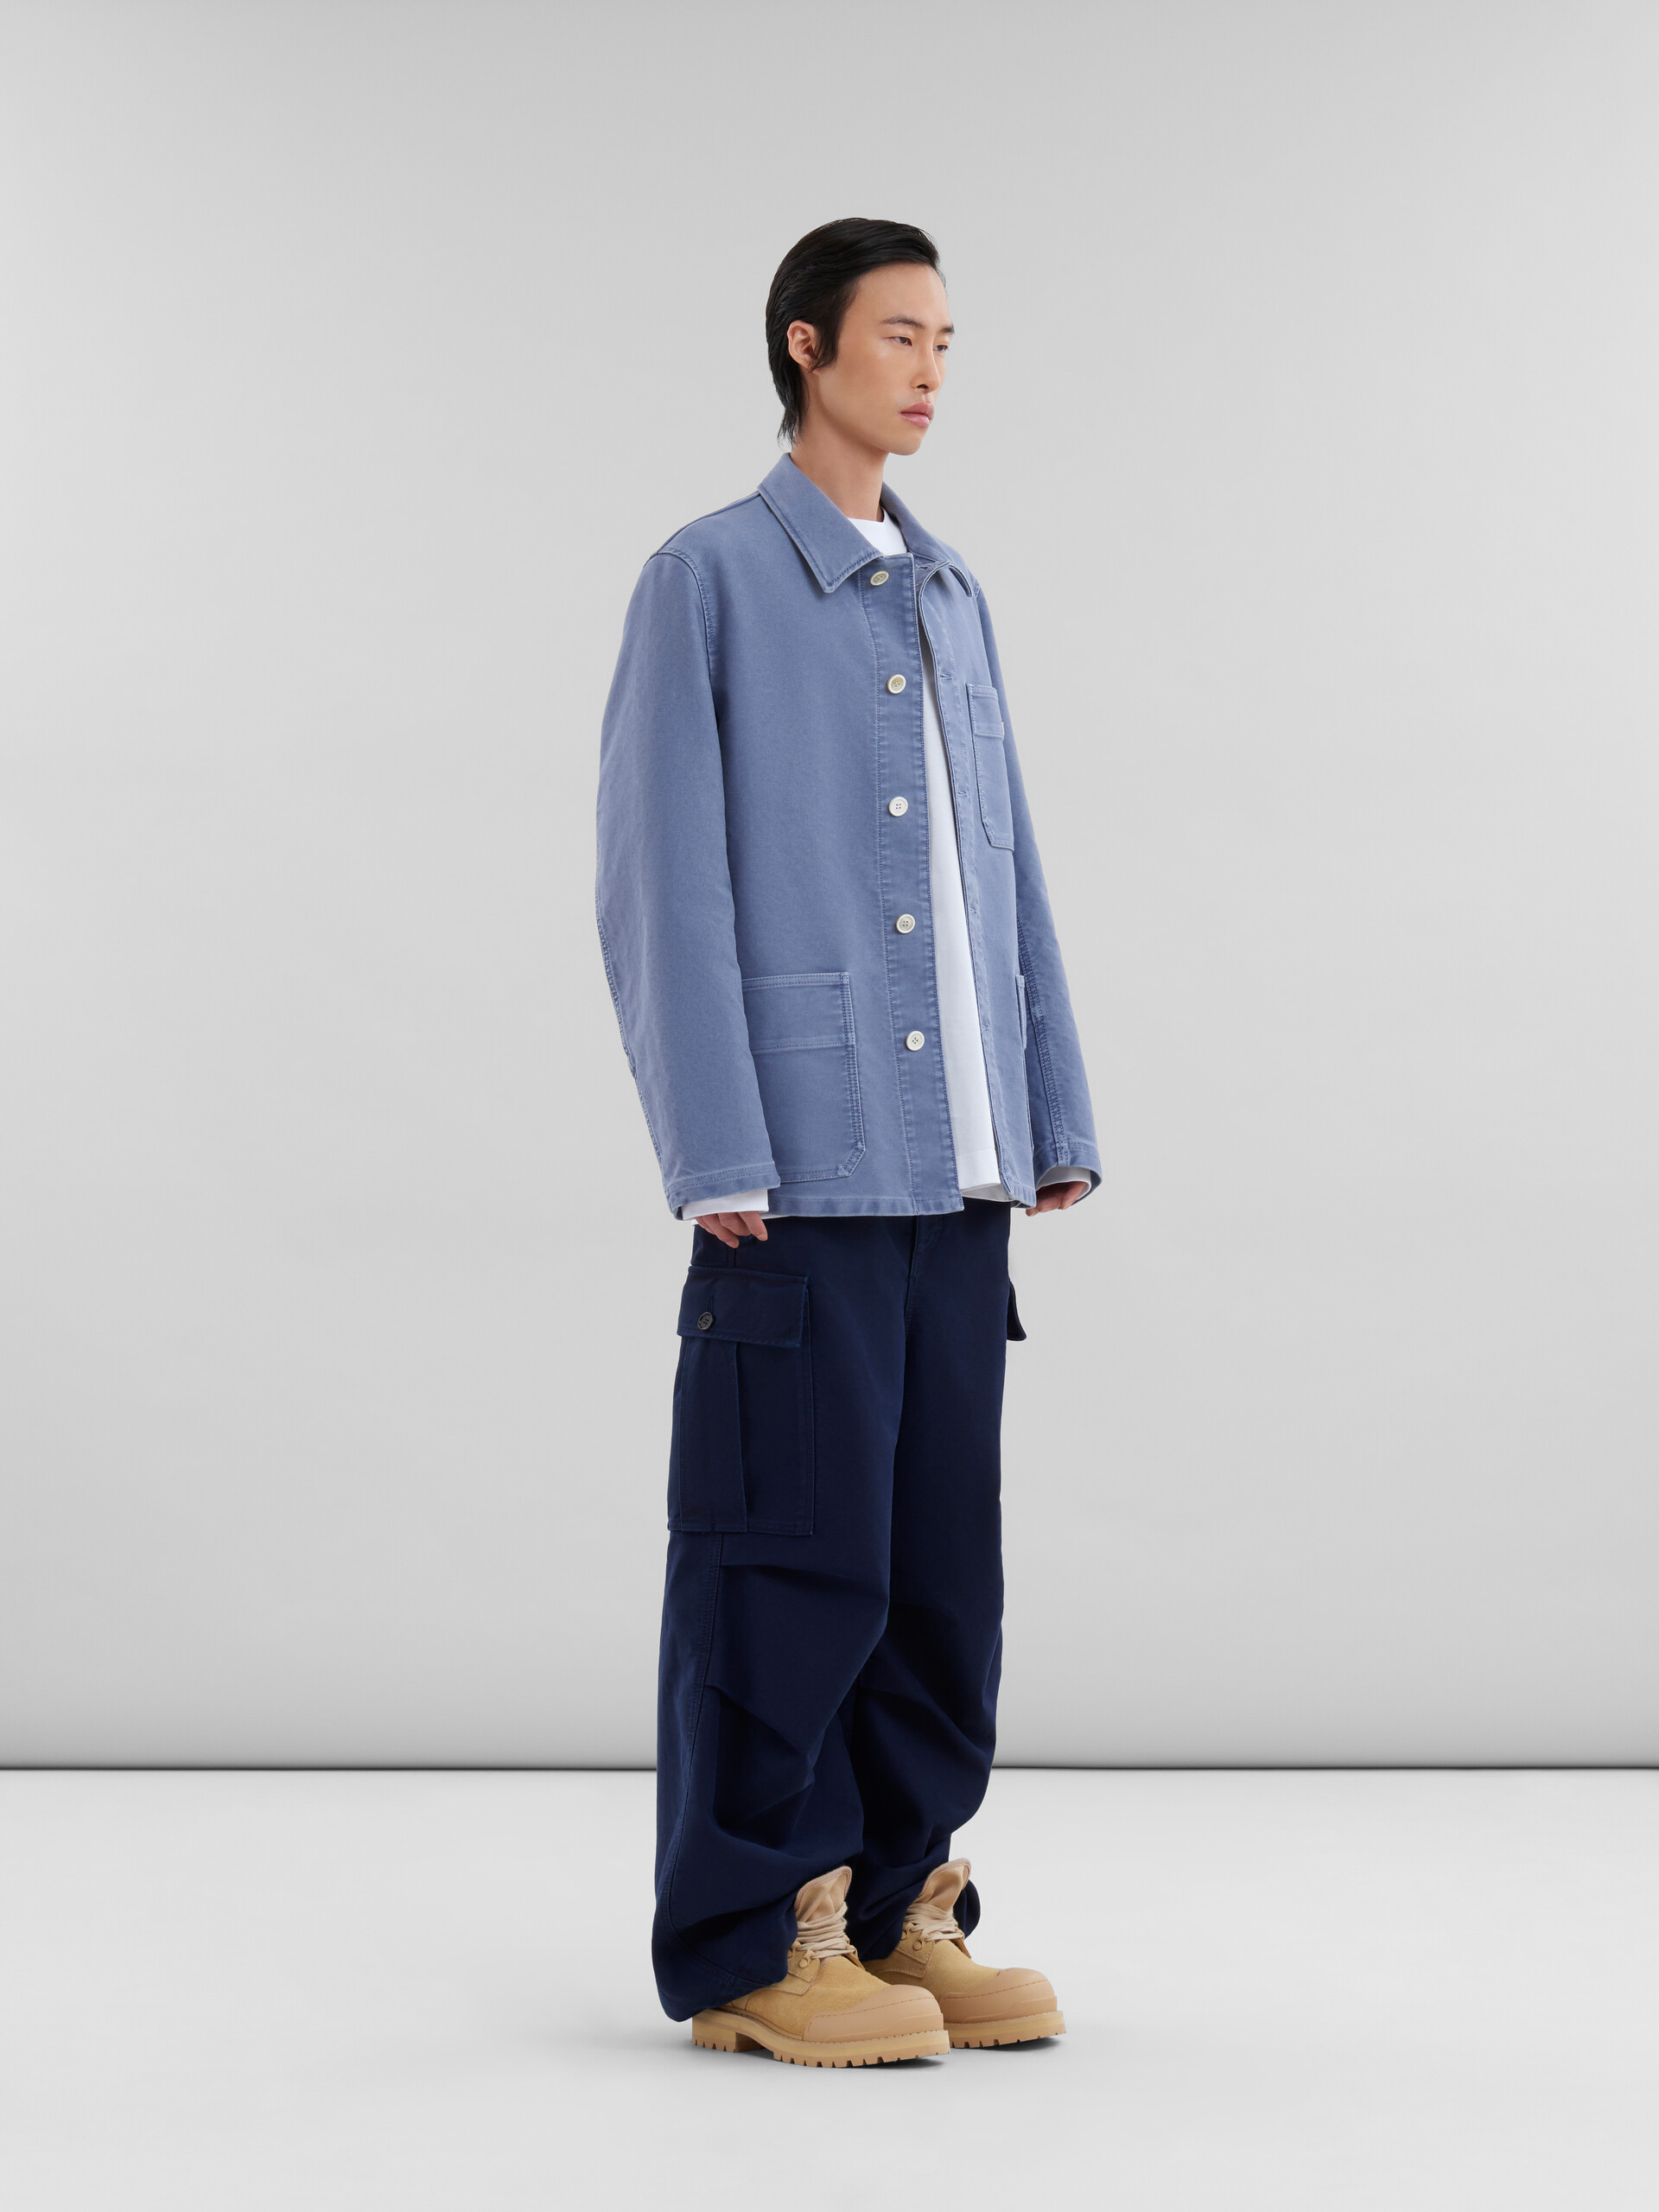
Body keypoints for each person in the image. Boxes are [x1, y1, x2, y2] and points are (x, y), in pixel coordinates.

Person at [594, 218, 1100, 2067]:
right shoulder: (708, 577)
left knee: (936, 1564)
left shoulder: (952, 593)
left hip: (955, 1170)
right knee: (787, 1557)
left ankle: (900, 1903)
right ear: (806, 346)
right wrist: (716, 1144)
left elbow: (1006, 869)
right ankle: (761, 1933)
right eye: (900, 334)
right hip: (798, 1167)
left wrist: (1049, 1106)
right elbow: (657, 877)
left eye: (948, 338)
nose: (933, 367)